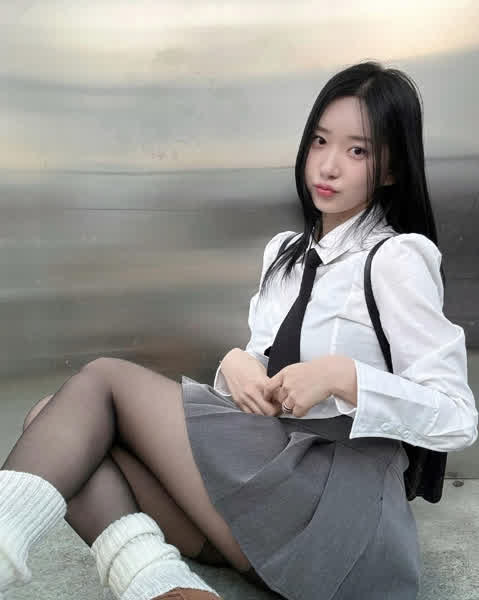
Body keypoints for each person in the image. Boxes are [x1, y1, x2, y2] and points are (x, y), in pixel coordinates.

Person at [0, 60, 477, 600]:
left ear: (391, 170)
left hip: (340, 524)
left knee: (103, 379)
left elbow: (457, 418)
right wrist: (237, 365)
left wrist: (345, 378)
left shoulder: (396, 259)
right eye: (320, 141)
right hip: (267, 509)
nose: (328, 165)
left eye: (357, 151)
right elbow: (258, 399)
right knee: (53, 420)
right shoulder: (285, 255)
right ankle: (164, 586)